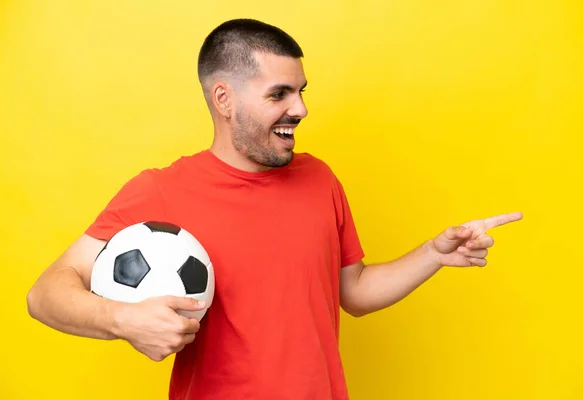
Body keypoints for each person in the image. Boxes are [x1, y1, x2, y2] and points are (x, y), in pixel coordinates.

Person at [26, 18, 523, 400]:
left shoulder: (319, 178)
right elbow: (46, 293)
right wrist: (122, 320)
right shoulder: (162, 191)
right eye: (279, 94)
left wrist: (434, 253)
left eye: (301, 91)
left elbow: (354, 292)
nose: (300, 109)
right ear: (224, 98)